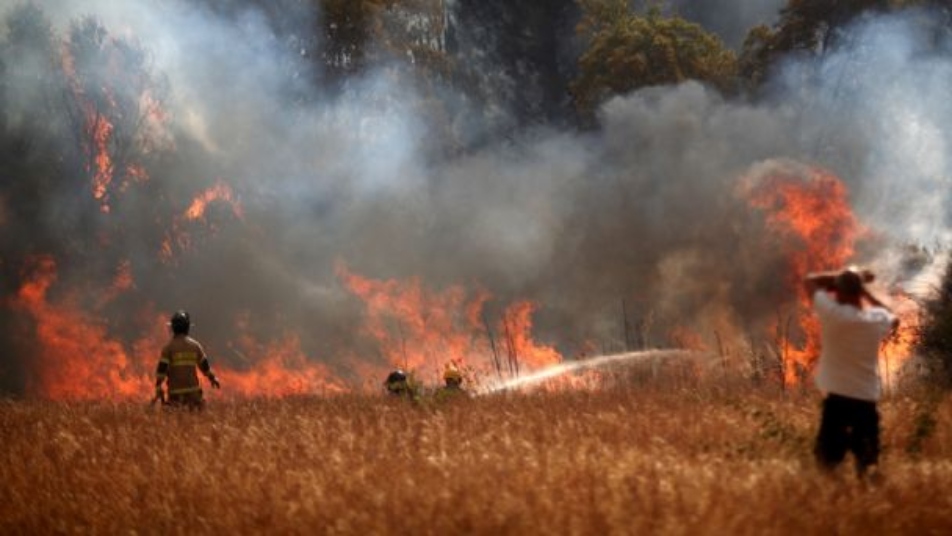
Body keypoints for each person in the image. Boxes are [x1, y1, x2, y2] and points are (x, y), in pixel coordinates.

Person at [804, 267, 899, 481]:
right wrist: (864, 289)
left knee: (827, 462)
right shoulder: (875, 319)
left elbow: (810, 279)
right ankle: (869, 504)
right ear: (860, 294)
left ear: (838, 293)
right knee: (868, 462)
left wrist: (841, 278)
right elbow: (893, 318)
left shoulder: (832, 314)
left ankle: (835, 502)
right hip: (866, 401)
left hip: (837, 401)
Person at [154, 310, 220, 409]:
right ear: (187, 327)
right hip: (193, 394)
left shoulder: (168, 348)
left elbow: (161, 371)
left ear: (173, 328)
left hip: (175, 395)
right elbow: (205, 367)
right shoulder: (195, 346)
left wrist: (158, 387)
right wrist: (213, 378)